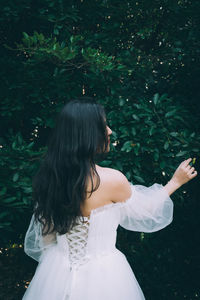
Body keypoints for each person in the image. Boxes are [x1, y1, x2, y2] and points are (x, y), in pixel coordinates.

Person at [22, 98, 197, 300]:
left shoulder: (49, 180)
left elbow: (46, 239)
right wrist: (175, 182)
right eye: (103, 125)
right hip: (105, 276)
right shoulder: (112, 180)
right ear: (86, 133)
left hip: (56, 271)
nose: (109, 131)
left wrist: (57, 274)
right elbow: (146, 211)